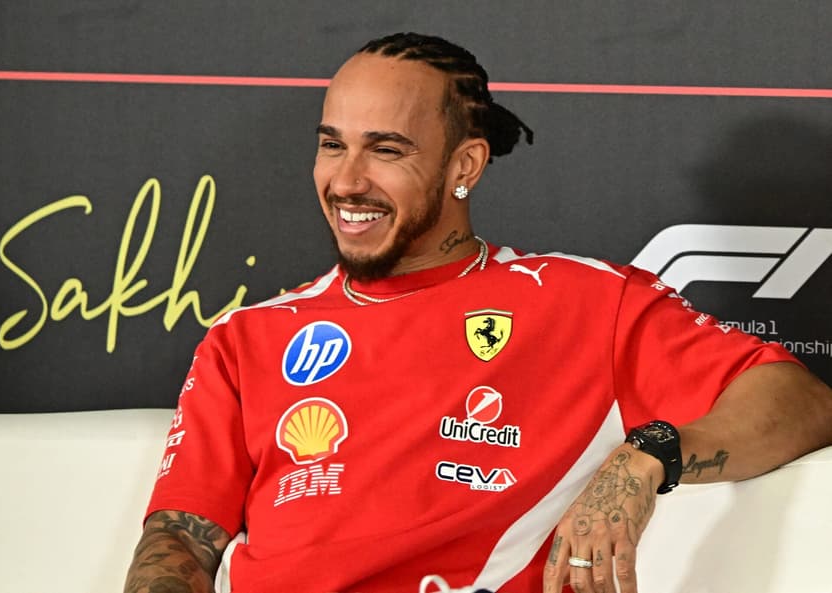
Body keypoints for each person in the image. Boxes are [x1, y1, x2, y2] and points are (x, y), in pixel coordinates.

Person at [123, 32, 832, 593]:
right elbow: (180, 539)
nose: (346, 180)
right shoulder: (246, 338)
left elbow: (800, 402)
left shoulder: (584, 302)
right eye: (331, 143)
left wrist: (645, 456)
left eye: (386, 150)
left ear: (465, 166)